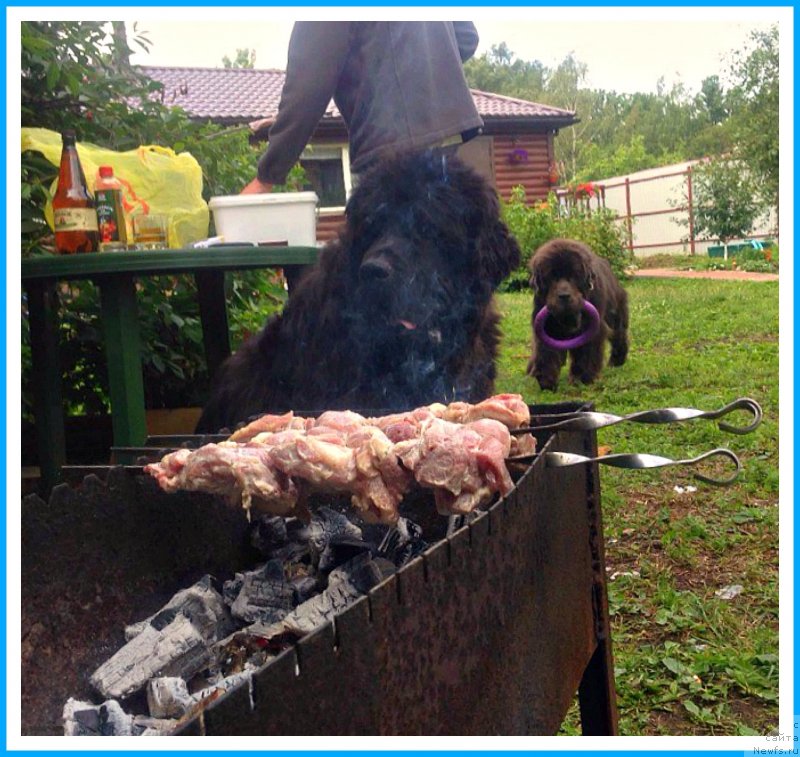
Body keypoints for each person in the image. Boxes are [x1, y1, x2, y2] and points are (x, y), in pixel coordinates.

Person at [241, 21, 484, 194]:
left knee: (383, 251)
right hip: (448, 129)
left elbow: (309, 84)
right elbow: (465, 36)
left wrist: (266, 177)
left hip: (392, 147)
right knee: (435, 241)